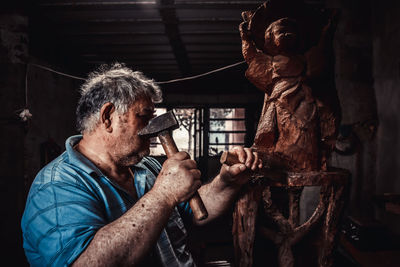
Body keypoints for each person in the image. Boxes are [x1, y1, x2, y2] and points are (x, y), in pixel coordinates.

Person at [21, 63, 262, 266]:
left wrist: (226, 182)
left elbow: (195, 213)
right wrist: (164, 194)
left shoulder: (146, 167)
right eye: (143, 116)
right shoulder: (57, 185)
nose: (151, 128)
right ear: (108, 117)